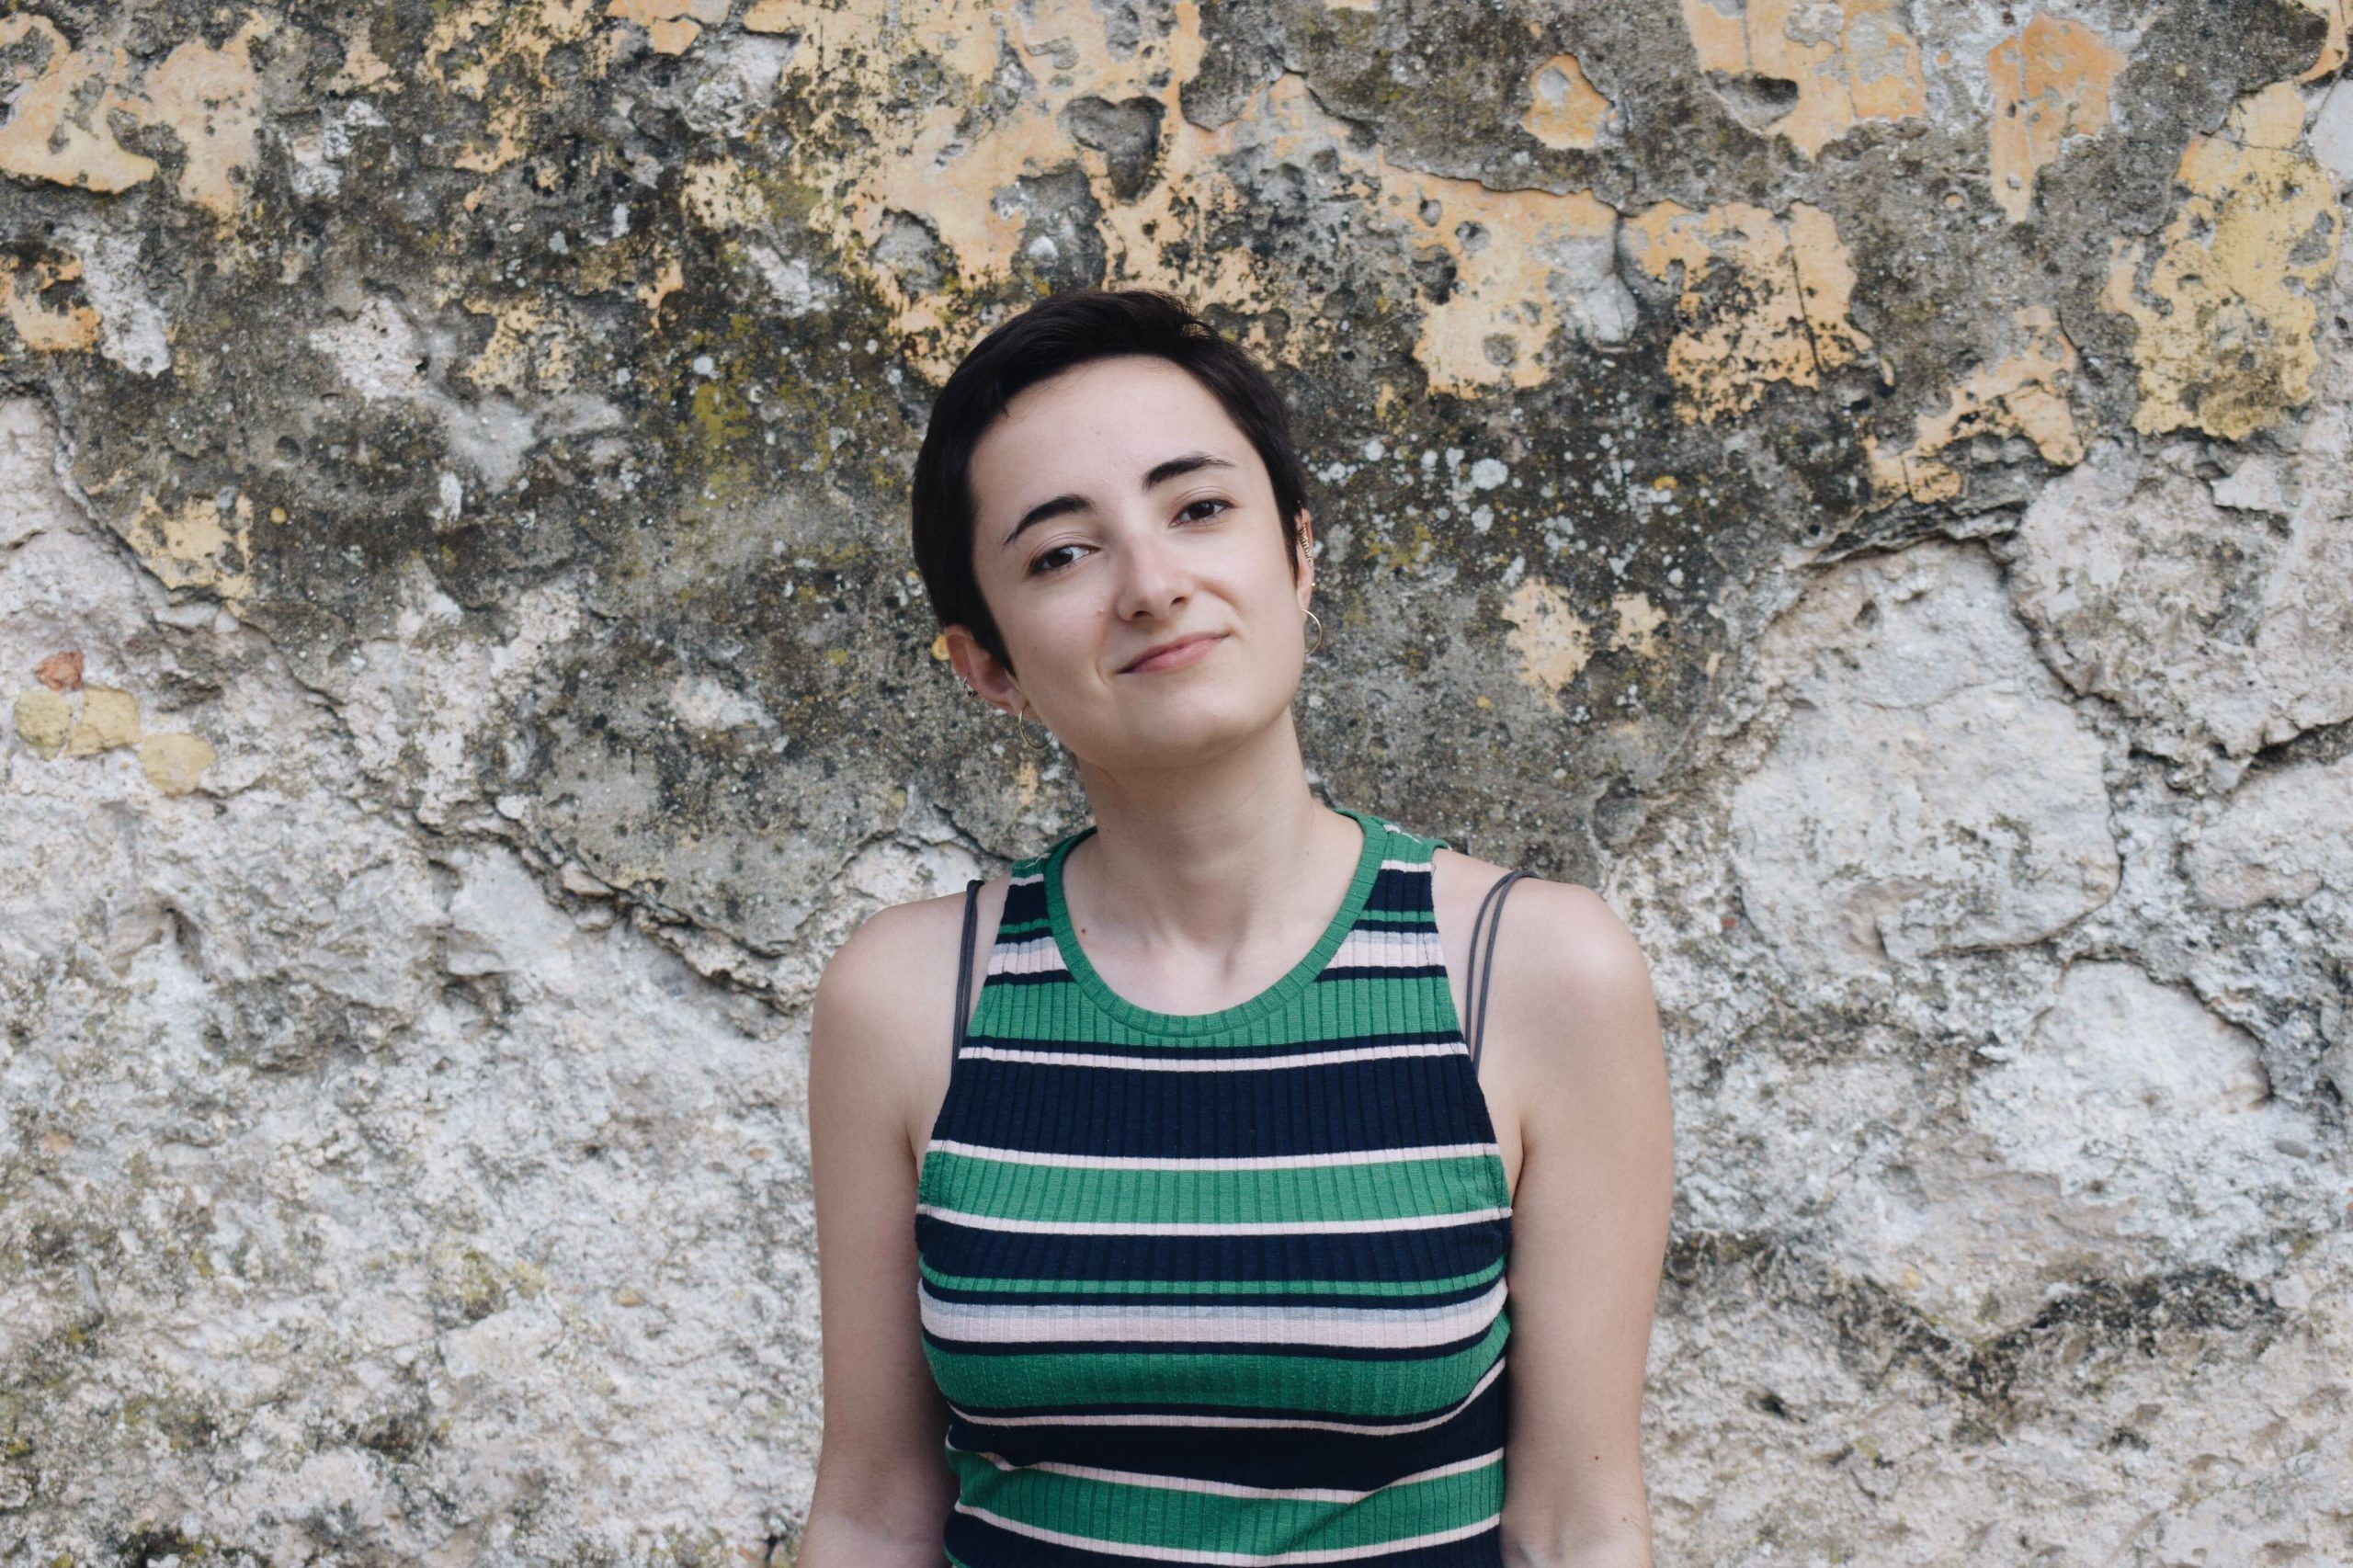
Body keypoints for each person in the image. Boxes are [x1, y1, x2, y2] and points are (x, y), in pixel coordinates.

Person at [801, 288, 1674, 1567]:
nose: (1153, 586)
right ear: (986, 664)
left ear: (1299, 554)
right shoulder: (909, 999)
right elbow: (873, 1508)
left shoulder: (1530, 973)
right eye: (1061, 554)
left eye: (1199, 509)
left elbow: (1579, 1524)